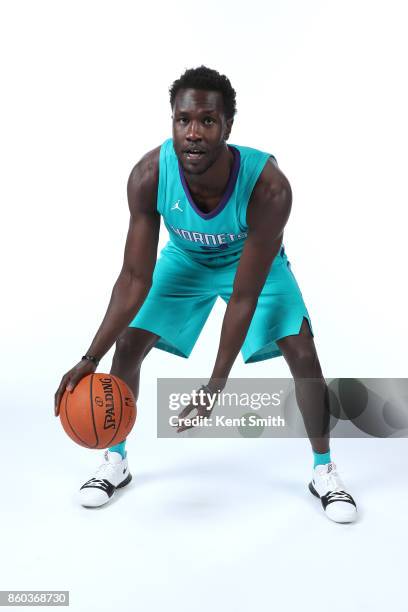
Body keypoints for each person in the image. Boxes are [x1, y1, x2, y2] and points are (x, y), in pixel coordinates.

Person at [54, 65, 357, 523]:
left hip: (251, 264)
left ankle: (324, 471)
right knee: (129, 344)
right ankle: (115, 461)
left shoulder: (269, 187)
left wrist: (216, 385)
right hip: (187, 259)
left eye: (207, 121)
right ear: (172, 120)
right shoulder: (149, 175)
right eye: (183, 120)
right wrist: (89, 358)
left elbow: (243, 296)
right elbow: (135, 277)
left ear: (228, 126)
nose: (193, 132)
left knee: (302, 351)